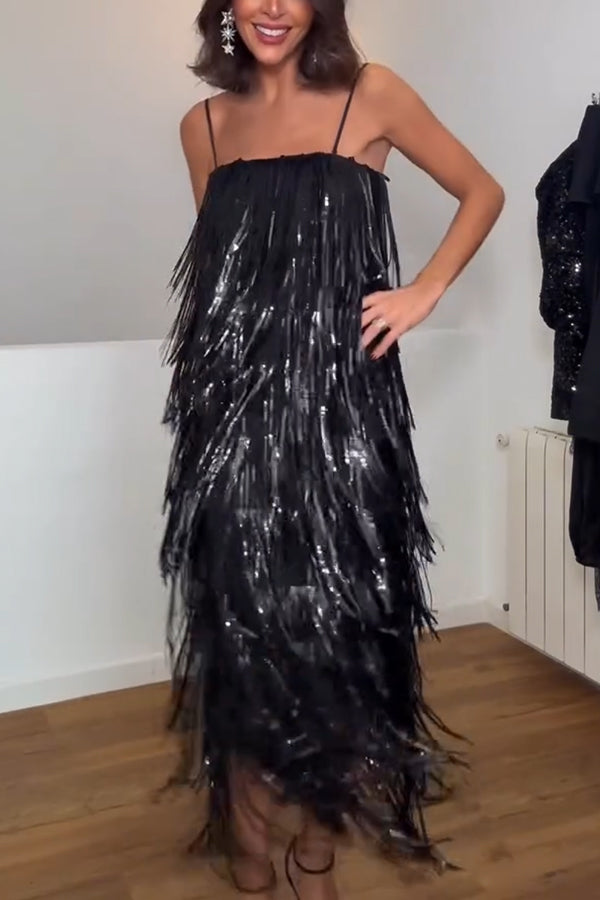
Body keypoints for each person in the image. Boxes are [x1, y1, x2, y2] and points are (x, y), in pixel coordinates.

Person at [160, 2, 504, 898]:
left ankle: (315, 850)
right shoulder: (203, 126)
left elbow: (483, 191)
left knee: (339, 637)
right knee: (239, 633)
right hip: (232, 423)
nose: (274, 6)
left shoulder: (372, 95)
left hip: (347, 418)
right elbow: (225, 277)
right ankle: (246, 838)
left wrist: (422, 291)